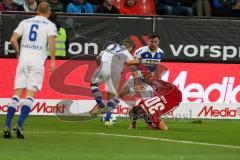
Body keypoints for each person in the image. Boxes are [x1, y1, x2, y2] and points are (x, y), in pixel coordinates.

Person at [2, 2, 57, 139]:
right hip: (37, 61)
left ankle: (7, 125)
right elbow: (51, 43)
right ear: (49, 12)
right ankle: (19, 124)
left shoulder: (25, 22)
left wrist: (19, 53)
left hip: (24, 60)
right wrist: (52, 61)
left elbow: (13, 39)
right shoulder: (50, 25)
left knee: (17, 93)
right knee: (30, 95)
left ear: (37, 10)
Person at [89, 39, 140, 126]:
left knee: (93, 84)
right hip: (117, 72)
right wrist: (136, 62)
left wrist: (102, 70)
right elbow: (132, 65)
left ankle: (101, 106)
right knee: (111, 95)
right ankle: (107, 121)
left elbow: (98, 58)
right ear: (130, 47)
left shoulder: (110, 46)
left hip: (105, 66)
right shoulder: (127, 53)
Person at [128, 63, 182, 130]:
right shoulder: (142, 103)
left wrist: (134, 124)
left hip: (174, 99)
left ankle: (134, 125)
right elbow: (133, 110)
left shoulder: (153, 115)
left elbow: (165, 128)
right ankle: (138, 63)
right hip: (170, 91)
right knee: (149, 79)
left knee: (153, 126)